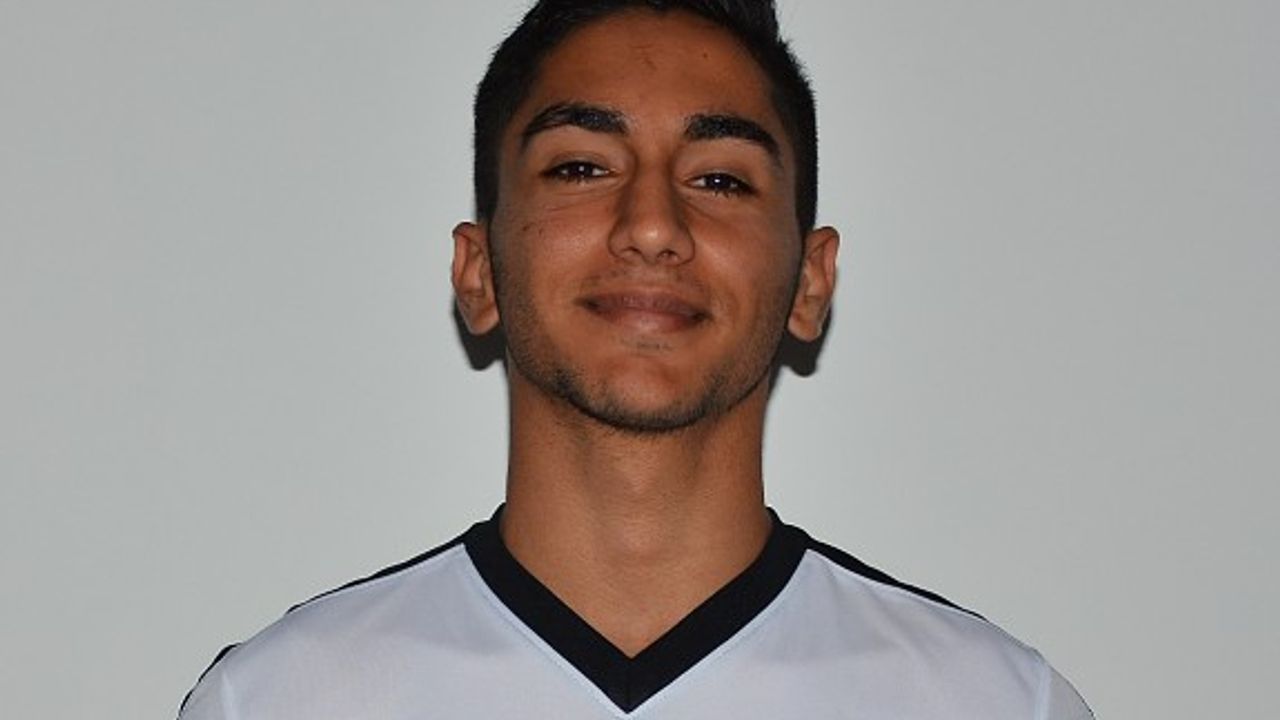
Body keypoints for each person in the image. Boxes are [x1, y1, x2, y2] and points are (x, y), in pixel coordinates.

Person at [179, 1, 1094, 717]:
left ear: (810, 283)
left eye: (720, 179)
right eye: (581, 168)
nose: (652, 226)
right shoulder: (280, 700)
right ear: (478, 270)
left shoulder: (994, 702)